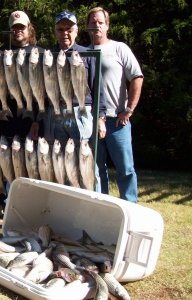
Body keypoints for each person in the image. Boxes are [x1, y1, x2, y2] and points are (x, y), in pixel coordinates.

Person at [0, 10, 44, 216]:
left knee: (27, 161)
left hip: (29, 117)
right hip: (1, 116)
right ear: (10, 30)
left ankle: (22, 203)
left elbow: (43, 90)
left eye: (22, 27)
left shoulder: (40, 54)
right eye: (14, 27)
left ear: (29, 29)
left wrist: (37, 119)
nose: (18, 31)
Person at [87, 7, 143, 202]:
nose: (96, 26)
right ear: (87, 26)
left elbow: (137, 76)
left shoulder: (119, 48)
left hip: (117, 121)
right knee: (96, 170)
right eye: (92, 22)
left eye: (100, 22)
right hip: (92, 122)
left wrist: (129, 109)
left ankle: (131, 208)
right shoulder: (84, 53)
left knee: (125, 169)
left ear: (107, 25)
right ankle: (103, 209)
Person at [47, 11, 107, 191]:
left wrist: (101, 117)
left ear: (76, 30)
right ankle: (69, 202)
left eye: (69, 29)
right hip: (56, 113)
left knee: (86, 159)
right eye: (60, 29)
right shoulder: (48, 55)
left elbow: (98, 87)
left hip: (82, 112)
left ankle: (94, 201)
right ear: (55, 31)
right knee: (62, 161)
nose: (65, 32)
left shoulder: (88, 54)